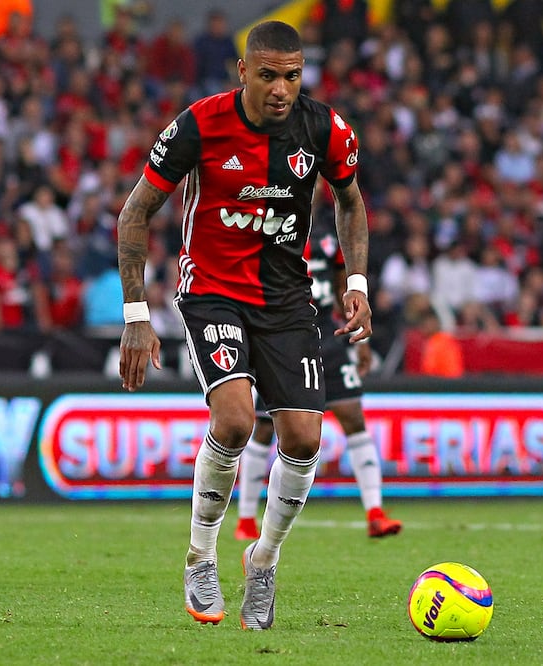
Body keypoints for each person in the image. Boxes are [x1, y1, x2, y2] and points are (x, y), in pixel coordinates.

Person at [116, 21, 372, 631]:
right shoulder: (200, 125)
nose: (281, 89)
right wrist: (136, 316)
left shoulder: (325, 128)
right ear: (243, 73)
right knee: (233, 419)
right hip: (212, 292)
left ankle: (263, 561)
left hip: (286, 301)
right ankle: (201, 556)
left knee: (306, 440)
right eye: (268, 76)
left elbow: (351, 200)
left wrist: (355, 283)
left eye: (292, 75)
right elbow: (135, 212)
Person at [235, 211, 401, 541]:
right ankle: (245, 519)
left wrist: (359, 339)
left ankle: (375, 512)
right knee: (265, 427)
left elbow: (344, 285)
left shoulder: (326, 237)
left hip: (328, 333)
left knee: (353, 415)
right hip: (283, 336)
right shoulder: (266, 229)